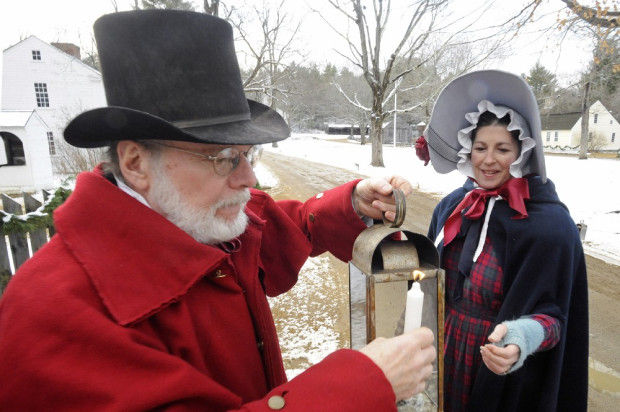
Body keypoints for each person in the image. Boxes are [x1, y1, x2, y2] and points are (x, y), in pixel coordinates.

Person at [0, 10, 436, 411]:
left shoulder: (190, 218)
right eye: (224, 157)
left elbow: (278, 228)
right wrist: (363, 383)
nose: (248, 178)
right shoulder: (54, 320)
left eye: (249, 155)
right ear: (135, 163)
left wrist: (352, 203)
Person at [418, 70, 588, 411]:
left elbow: (556, 321)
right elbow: (423, 285)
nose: (489, 159)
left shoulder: (551, 227)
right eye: (480, 147)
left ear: (522, 153)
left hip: (500, 369)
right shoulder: (453, 207)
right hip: (445, 350)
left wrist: (521, 338)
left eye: (502, 149)